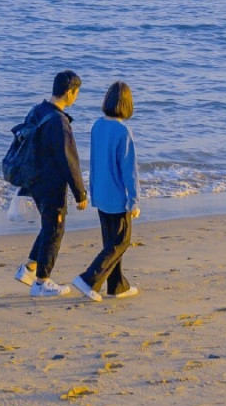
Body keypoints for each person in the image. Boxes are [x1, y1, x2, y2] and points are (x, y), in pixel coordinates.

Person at [14, 70, 88, 298]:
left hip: (33, 178)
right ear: (69, 92)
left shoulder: (38, 109)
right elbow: (69, 162)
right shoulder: (59, 121)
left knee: (48, 225)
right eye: (76, 93)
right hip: (50, 183)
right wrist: (80, 194)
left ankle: (28, 269)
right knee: (55, 228)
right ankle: (42, 282)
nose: (76, 97)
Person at [72, 80, 140, 302]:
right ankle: (89, 278)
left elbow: (94, 162)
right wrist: (134, 200)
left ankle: (116, 286)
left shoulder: (97, 126)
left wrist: (92, 191)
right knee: (121, 242)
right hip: (118, 198)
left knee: (111, 243)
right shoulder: (123, 131)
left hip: (101, 194)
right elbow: (129, 169)